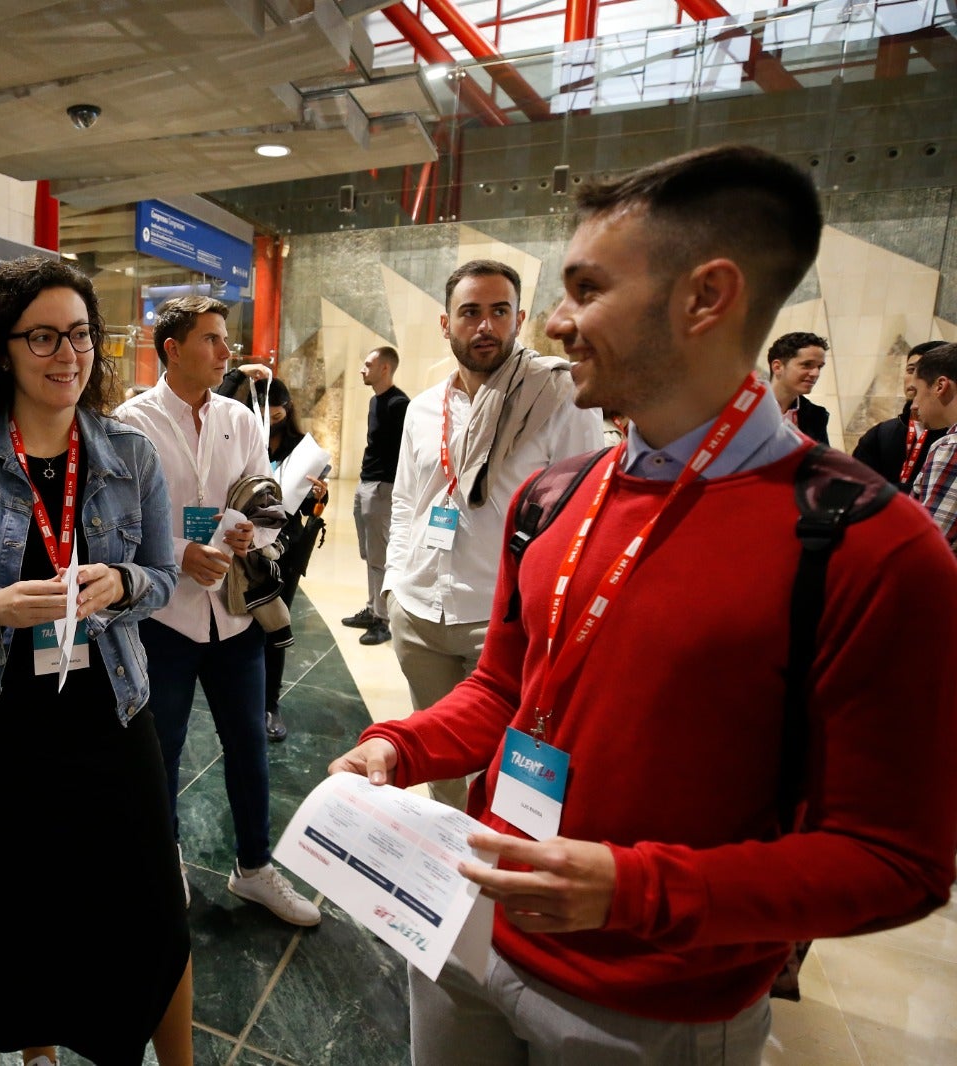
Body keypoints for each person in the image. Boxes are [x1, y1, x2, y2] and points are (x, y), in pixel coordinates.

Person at [331, 144, 957, 1065]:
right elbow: (506, 693)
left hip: (651, 1004)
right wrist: (403, 744)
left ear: (706, 297)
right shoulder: (555, 498)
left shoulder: (870, 545)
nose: (556, 321)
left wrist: (637, 889)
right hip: (470, 931)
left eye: (586, 290)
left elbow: (897, 860)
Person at [0, 256, 192, 1066]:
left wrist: (121, 580)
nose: (69, 354)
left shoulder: (130, 454)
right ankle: (39, 1057)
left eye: (82, 334)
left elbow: (161, 578)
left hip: (109, 716)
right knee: (19, 914)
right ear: (5, 349)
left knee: (153, 909)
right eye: (46, 336)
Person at [118, 298, 321, 926]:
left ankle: (255, 867)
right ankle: (161, 859)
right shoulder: (132, 422)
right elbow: (120, 524)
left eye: (225, 339)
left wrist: (247, 539)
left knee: (249, 743)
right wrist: (180, 553)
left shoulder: (241, 418)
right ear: (171, 349)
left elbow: (264, 504)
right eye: (211, 339)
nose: (226, 351)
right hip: (166, 618)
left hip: (235, 615)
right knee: (164, 749)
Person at [383, 260, 603, 811]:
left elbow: (579, 518)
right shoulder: (423, 408)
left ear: (520, 318)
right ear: (446, 323)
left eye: (499, 312)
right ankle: (443, 872)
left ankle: (489, 883)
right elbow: (408, 500)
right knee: (439, 768)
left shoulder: (557, 398)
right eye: (471, 312)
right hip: (418, 615)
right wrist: (392, 587)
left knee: (508, 774)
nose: (485, 326)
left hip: (501, 625)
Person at [215, 368, 328, 741]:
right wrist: (236, 376)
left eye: (280, 407)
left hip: (285, 545)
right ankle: (243, 700)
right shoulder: (242, 435)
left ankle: (269, 704)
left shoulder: (301, 447)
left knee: (274, 619)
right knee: (241, 620)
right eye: (268, 406)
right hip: (240, 541)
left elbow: (311, 506)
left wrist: (318, 496)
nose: (274, 414)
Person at [343, 346, 409, 646]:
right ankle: (372, 610)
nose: (362, 369)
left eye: (368, 364)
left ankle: (382, 621)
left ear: (385, 368)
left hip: (383, 487)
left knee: (380, 557)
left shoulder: (399, 404)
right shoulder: (375, 401)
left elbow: (407, 453)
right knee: (369, 554)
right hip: (366, 484)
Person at [853, 340, 948, 490]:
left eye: (924, 372)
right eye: (911, 370)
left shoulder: (951, 437)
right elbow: (854, 486)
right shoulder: (881, 433)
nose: (915, 379)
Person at [910, 343, 957, 550]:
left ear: (940, 386)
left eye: (917, 392)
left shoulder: (951, 446)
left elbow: (929, 546)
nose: (914, 405)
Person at [766, 331, 831, 443]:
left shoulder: (816, 416)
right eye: (807, 365)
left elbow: (820, 459)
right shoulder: (745, 406)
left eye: (819, 367)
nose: (816, 373)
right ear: (777, 367)